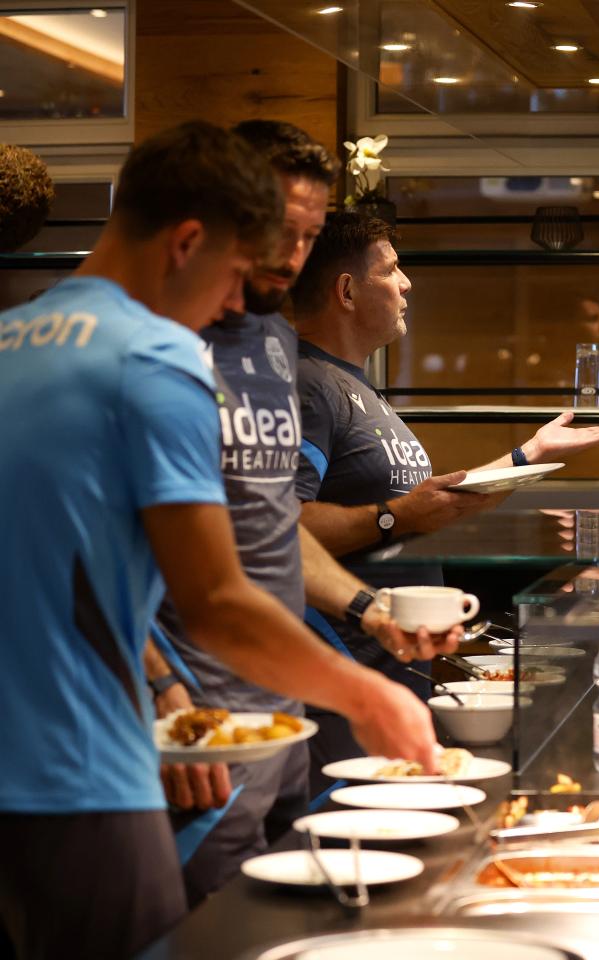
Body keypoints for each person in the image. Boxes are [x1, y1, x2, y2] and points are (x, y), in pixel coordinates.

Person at [0, 122, 439, 960]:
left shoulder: (14, 338)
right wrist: (370, 696)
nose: (236, 304)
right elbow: (217, 603)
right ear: (190, 239)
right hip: (87, 767)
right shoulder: (158, 355)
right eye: (236, 272)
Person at [142, 120, 462, 907]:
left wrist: (369, 606)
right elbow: (81, 551)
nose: (291, 255)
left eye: (309, 235)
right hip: (195, 719)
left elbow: (268, 519)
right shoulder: (152, 344)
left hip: (281, 714)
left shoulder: (271, 347)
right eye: (280, 230)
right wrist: (163, 696)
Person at [289, 212, 599, 781]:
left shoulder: (357, 388)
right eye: (392, 269)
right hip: (343, 678)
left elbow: (432, 503)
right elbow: (282, 524)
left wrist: (530, 455)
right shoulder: (307, 384)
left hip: (397, 669)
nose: (407, 283)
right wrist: (393, 518)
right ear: (346, 291)